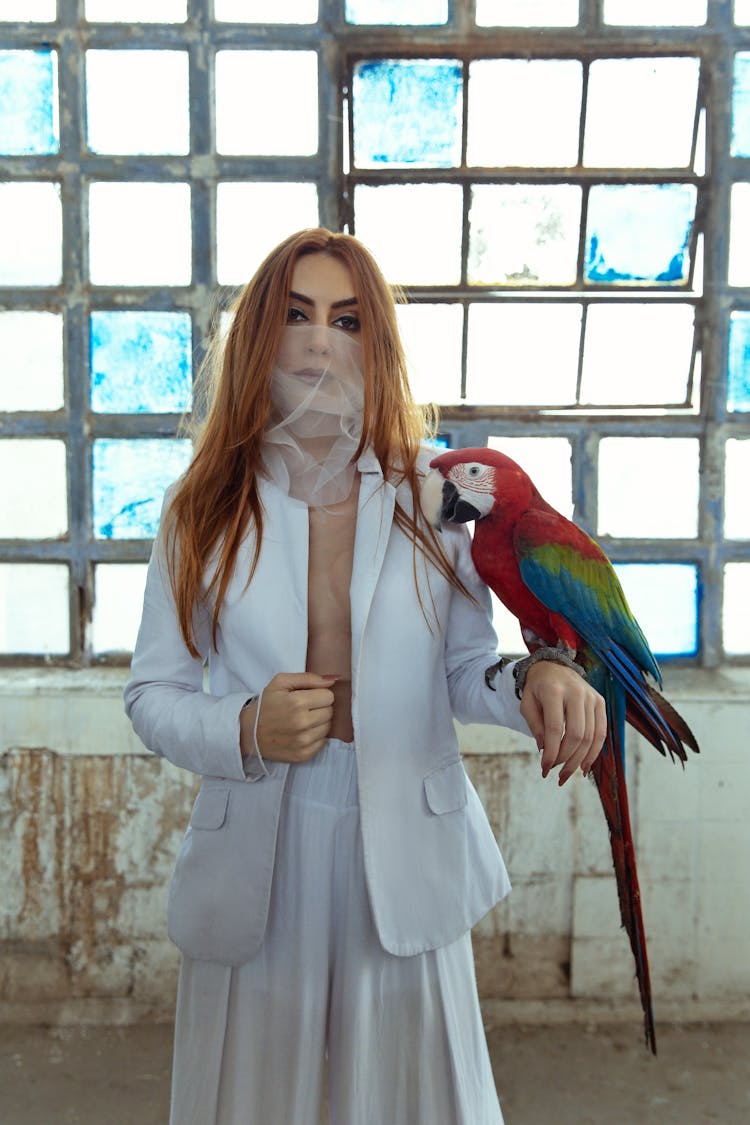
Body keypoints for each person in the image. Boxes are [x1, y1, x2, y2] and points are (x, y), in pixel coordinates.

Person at [124, 228, 606, 1125]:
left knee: (416, 1099)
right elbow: (151, 692)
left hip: (405, 837)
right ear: (260, 336)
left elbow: (465, 668)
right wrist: (243, 728)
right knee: (252, 1095)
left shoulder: (433, 491)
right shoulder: (201, 505)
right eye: (295, 315)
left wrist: (538, 677)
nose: (318, 340)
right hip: (259, 831)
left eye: (346, 319)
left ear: (375, 341)